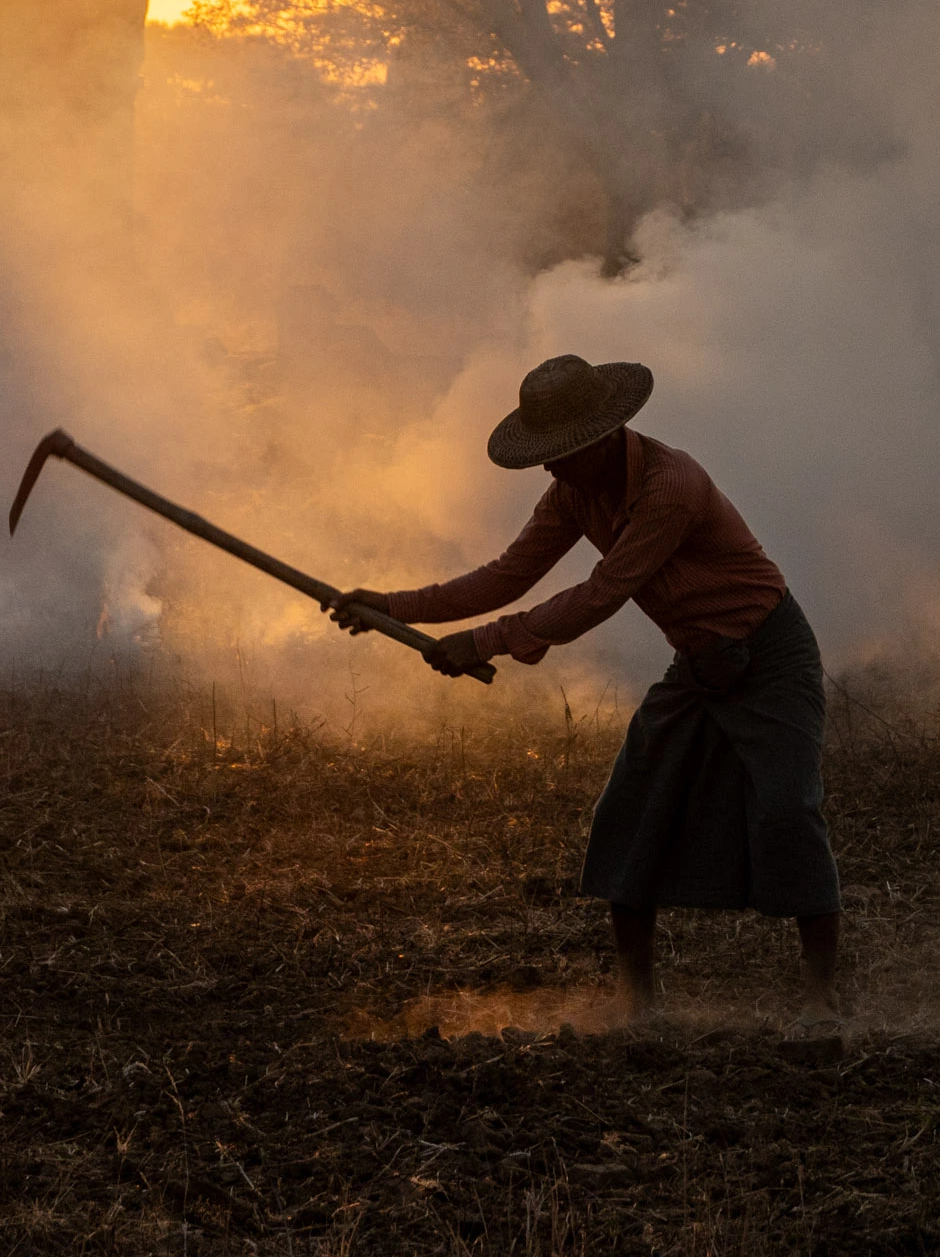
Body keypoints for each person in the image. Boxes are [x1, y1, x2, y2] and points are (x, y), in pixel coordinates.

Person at [332, 355, 841, 1022]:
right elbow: (509, 574)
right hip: (698, 664)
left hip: (770, 656)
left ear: (602, 439)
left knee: (788, 812)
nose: (549, 468)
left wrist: (483, 642)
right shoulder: (574, 490)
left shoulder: (670, 488)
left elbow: (602, 594)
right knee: (628, 813)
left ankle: (821, 1002)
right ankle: (638, 1003)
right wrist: (395, 606)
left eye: (559, 453)